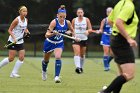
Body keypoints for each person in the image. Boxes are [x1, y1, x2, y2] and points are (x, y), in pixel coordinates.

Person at [98, 0, 139, 93]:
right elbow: (118, 22)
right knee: (129, 74)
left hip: (116, 39)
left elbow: (109, 20)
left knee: (121, 74)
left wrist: (117, 31)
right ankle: (105, 92)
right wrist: (128, 38)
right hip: (122, 42)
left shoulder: (120, 3)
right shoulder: (129, 5)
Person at [42, 5, 78, 83]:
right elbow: (46, 35)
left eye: (63, 17)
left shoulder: (67, 22)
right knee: (46, 60)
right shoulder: (54, 22)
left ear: (66, 16)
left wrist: (75, 36)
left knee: (58, 57)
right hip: (49, 42)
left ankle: (57, 77)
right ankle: (44, 71)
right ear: (57, 15)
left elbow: (72, 30)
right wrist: (53, 33)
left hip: (59, 43)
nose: (62, 19)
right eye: (60, 17)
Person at [0, 6, 30, 78]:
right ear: (20, 12)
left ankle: (13, 73)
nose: (25, 13)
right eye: (23, 11)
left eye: (26, 11)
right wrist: (14, 38)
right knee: (11, 58)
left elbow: (25, 28)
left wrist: (27, 32)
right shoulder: (16, 20)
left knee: (21, 57)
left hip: (20, 41)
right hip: (12, 41)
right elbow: (9, 30)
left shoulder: (26, 20)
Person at [72, 8, 92, 74]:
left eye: (81, 12)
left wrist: (88, 31)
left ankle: (81, 67)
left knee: (82, 55)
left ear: (83, 13)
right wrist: (73, 35)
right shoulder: (74, 20)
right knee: (77, 52)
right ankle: (77, 67)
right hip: (76, 39)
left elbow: (90, 29)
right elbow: (72, 30)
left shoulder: (86, 20)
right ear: (77, 13)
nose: (80, 14)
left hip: (84, 39)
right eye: (78, 12)